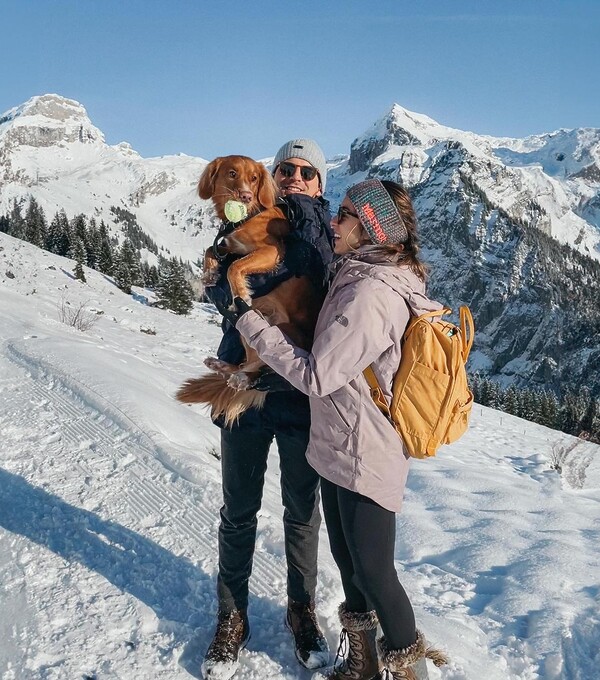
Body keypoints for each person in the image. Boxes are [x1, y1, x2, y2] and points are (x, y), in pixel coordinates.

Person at [230, 179, 449, 679]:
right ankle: (364, 666)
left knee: (375, 571)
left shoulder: (371, 293)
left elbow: (319, 375)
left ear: (371, 228)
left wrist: (253, 326)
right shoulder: (357, 274)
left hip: (364, 450)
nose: (335, 220)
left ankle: (406, 667)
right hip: (340, 442)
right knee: (351, 565)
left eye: (347, 214)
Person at [201, 140, 334, 679]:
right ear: (271, 177)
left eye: (307, 171)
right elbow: (222, 301)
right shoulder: (249, 220)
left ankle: (301, 612)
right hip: (245, 387)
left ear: (320, 184)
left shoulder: (327, 232)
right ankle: (231, 616)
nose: (296, 176)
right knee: (238, 511)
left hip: (302, 394)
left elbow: (320, 277)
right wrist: (222, 277)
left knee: (302, 514)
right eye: (286, 169)